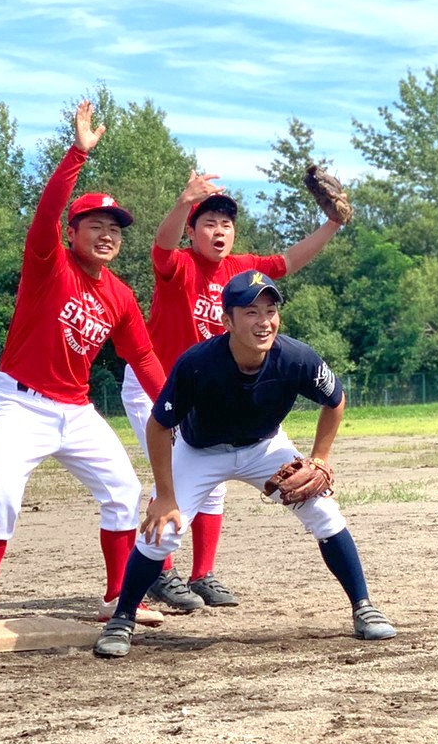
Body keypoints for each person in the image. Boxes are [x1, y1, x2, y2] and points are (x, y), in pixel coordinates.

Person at [93, 270, 395, 658]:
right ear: (227, 321)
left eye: (270, 310)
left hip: (264, 447)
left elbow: (334, 401)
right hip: (199, 451)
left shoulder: (295, 358)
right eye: (250, 311)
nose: (264, 321)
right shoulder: (199, 363)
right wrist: (165, 495)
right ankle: (122, 619)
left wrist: (319, 458)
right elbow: (157, 426)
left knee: (323, 511)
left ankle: (363, 607)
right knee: (163, 530)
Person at [0, 100, 168, 627]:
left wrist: (174, 404)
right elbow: (47, 211)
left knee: (124, 492)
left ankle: (118, 597)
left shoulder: (121, 296)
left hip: (75, 411)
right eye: (95, 225)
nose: (107, 234)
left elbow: (142, 355)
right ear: (73, 233)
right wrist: (77, 153)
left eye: (116, 230)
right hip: (21, 402)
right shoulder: (48, 264)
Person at [120, 174, 341, 612]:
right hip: (158, 382)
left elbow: (290, 260)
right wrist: (185, 199)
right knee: (171, 478)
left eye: (225, 223)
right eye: (208, 223)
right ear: (191, 229)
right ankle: (161, 575)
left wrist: (332, 223)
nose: (218, 231)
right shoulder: (179, 264)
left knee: (214, 481)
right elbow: (160, 248)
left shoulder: (243, 271)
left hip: (210, 388)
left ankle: (202, 574)